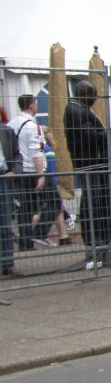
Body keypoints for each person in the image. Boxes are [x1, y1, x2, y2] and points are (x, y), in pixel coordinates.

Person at [63, 80, 111, 261]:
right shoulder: (77, 110)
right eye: (93, 95)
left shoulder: (79, 109)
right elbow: (88, 135)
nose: (95, 98)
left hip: (93, 162)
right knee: (94, 201)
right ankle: (95, 240)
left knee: (98, 200)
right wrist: (109, 135)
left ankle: (102, 238)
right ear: (84, 94)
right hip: (90, 163)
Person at [7, 94, 46, 251]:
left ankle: (25, 240)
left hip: (17, 170)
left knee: (24, 207)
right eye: (36, 103)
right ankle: (32, 236)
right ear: (31, 105)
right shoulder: (32, 126)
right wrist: (41, 174)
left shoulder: (11, 123)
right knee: (46, 203)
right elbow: (36, 152)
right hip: (30, 170)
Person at [0, 107, 19, 277]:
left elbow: (17, 155)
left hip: (4, 180)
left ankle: (8, 264)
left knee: (5, 224)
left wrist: (14, 171)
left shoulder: (7, 131)